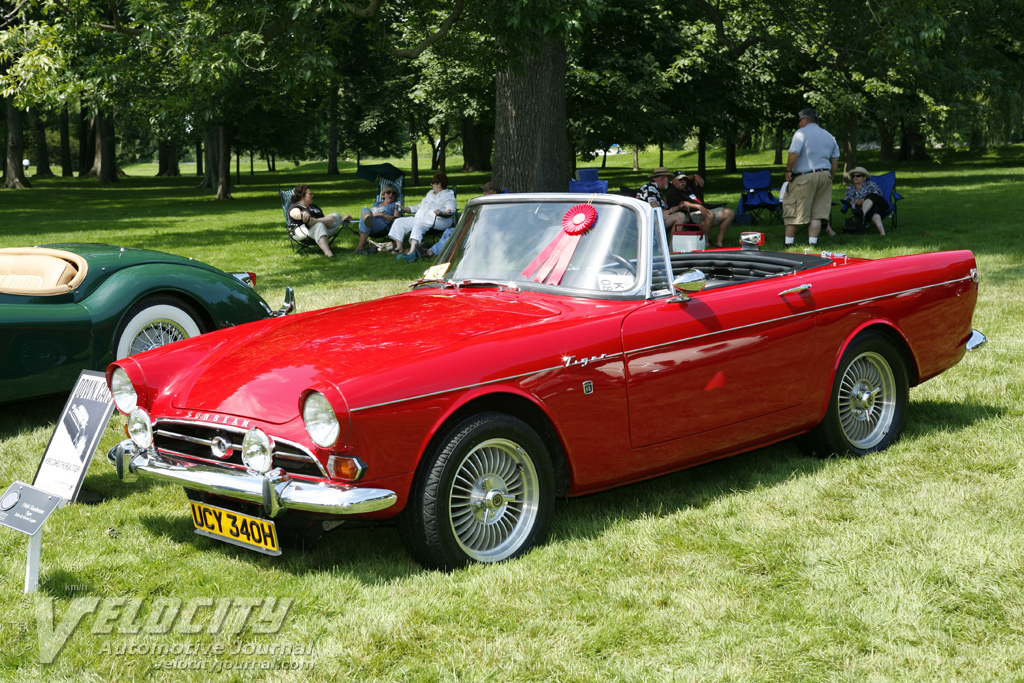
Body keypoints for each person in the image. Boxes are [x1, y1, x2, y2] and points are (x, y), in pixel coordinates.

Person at [398, 180, 501, 263]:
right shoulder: (485, 203)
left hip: (483, 230)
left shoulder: (496, 205)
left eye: (486, 191)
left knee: (456, 234)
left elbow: (490, 221)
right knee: (448, 232)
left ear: (494, 193)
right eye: (484, 191)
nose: (484, 193)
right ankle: (434, 252)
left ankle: (430, 252)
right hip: (474, 226)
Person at [782, 108, 840, 247]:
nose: (799, 123)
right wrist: (831, 176)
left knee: (794, 209)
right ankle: (812, 244)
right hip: (825, 175)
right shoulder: (829, 136)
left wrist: (788, 170)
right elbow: (835, 159)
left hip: (805, 176)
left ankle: (789, 244)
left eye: (800, 120)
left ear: (806, 119)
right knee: (818, 213)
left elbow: (793, 153)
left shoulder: (801, 133)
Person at [389, 172, 457, 260]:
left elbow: (451, 211)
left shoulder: (448, 195)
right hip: (421, 217)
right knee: (399, 221)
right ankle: (399, 248)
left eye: (432, 183)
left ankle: (412, 252)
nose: (431, 185)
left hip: (438, 220)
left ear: (439, 184)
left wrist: (441, 212)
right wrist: (405, 209)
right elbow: (420, 206)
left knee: (418, 226)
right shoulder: (430, 193)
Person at [664, 172, 736, 248]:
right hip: (690, 214)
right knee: (709, 214)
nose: (683, 181)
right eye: (680, 180)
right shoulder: (672, 191)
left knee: (729, 213)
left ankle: (719, 242)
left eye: (684, 179)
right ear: (673, 181)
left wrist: (696, 176)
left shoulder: (687, 186)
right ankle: (705, 242)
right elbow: (682, 203)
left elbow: (690, 178)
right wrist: (698, 206)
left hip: (704, 209)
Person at [287, 184, 343, 257]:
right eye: (310, 194)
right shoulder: (295, 206)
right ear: (302, 196)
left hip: (321, 229)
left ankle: (315, 221)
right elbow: (295, 214)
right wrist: (303, 214)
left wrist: (341, 220)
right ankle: (328, 252)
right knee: (319, 225)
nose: (312, 195)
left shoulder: (314, 206)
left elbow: (323, 218)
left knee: (337, 215)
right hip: (303, 230)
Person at [348, 183, 401, 254]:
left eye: (393, 193)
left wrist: (381, 214)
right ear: (384, 194)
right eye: (388, 192)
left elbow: (396, 220)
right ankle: (367, 220)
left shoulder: (396, 205)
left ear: (395, 195)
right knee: (365, 210)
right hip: (372, 221)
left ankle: (359, 247)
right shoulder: (376, 203)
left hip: (384, 224)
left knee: (365, 220)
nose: (391, 195)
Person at [637, 167, 687, 233]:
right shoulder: (651, 187)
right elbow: (652, 202)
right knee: (680, 216)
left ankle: (670, 239)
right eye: (668, 179)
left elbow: (667, 210)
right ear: (663, 179)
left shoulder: (656, 189)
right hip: (647, 221)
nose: (668, 181)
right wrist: (662, 211)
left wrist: (678, 207)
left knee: (681, 215)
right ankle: (670, 240)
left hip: (652, 219)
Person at [843, 166, 887, 236]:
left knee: (871, 195)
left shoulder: (870, 184)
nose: (855, 177)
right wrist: (855, 202)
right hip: (867, 208)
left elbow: (878, 194)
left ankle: (862, 214)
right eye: (853, 176)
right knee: (874, 209)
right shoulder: (850, 188)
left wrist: (863, 200)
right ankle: (882, 233)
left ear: (864, 178)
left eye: (858, 176)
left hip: (880, 204)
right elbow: (847, 200)